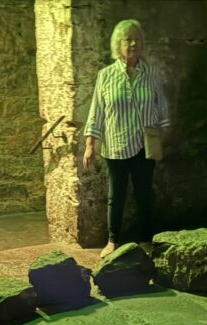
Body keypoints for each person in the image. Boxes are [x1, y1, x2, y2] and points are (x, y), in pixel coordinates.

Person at [83, 19, 171, 257]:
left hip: (144, 145)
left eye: (137, 39)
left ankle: (145, 240)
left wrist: (163, 136)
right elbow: (97, 111)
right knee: (116, 196)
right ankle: (112, 241)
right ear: (118, 44)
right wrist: (90, 144)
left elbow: (162, 107)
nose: (133, 44)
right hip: (116, 144)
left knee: (144, 195)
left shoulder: (151, 73)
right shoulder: (105, 75)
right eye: (128, 39)